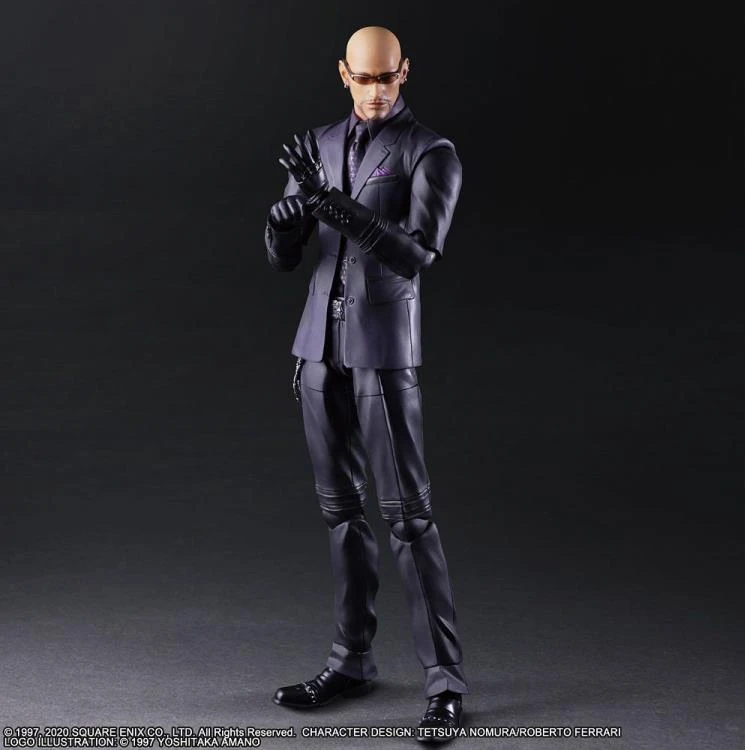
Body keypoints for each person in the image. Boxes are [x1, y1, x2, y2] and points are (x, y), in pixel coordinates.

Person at [264, 25, 468, 741]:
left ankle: (445, 683)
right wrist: (283, 223)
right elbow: (286, 258)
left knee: (409, 518)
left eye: (387, 78)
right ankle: (350, 661)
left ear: (404, 72)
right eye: (364, 78)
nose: (377, 91)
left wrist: (329, 204)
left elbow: (416, 254)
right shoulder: (316, 145)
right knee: (340, 515)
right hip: (319, 351)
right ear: (343, 75)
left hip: (383, 352)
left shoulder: (429, 151)